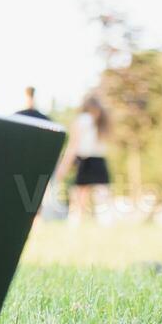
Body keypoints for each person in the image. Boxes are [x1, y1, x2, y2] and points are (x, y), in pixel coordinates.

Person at [55, 94, 113, 225]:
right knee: (102, 198)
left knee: (78, 197)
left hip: (85, 160)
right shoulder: (102, 121)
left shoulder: (81, 120)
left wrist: (63, 167)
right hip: (100, 160)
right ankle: (106, 224)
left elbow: (73, 146)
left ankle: (74, 223)